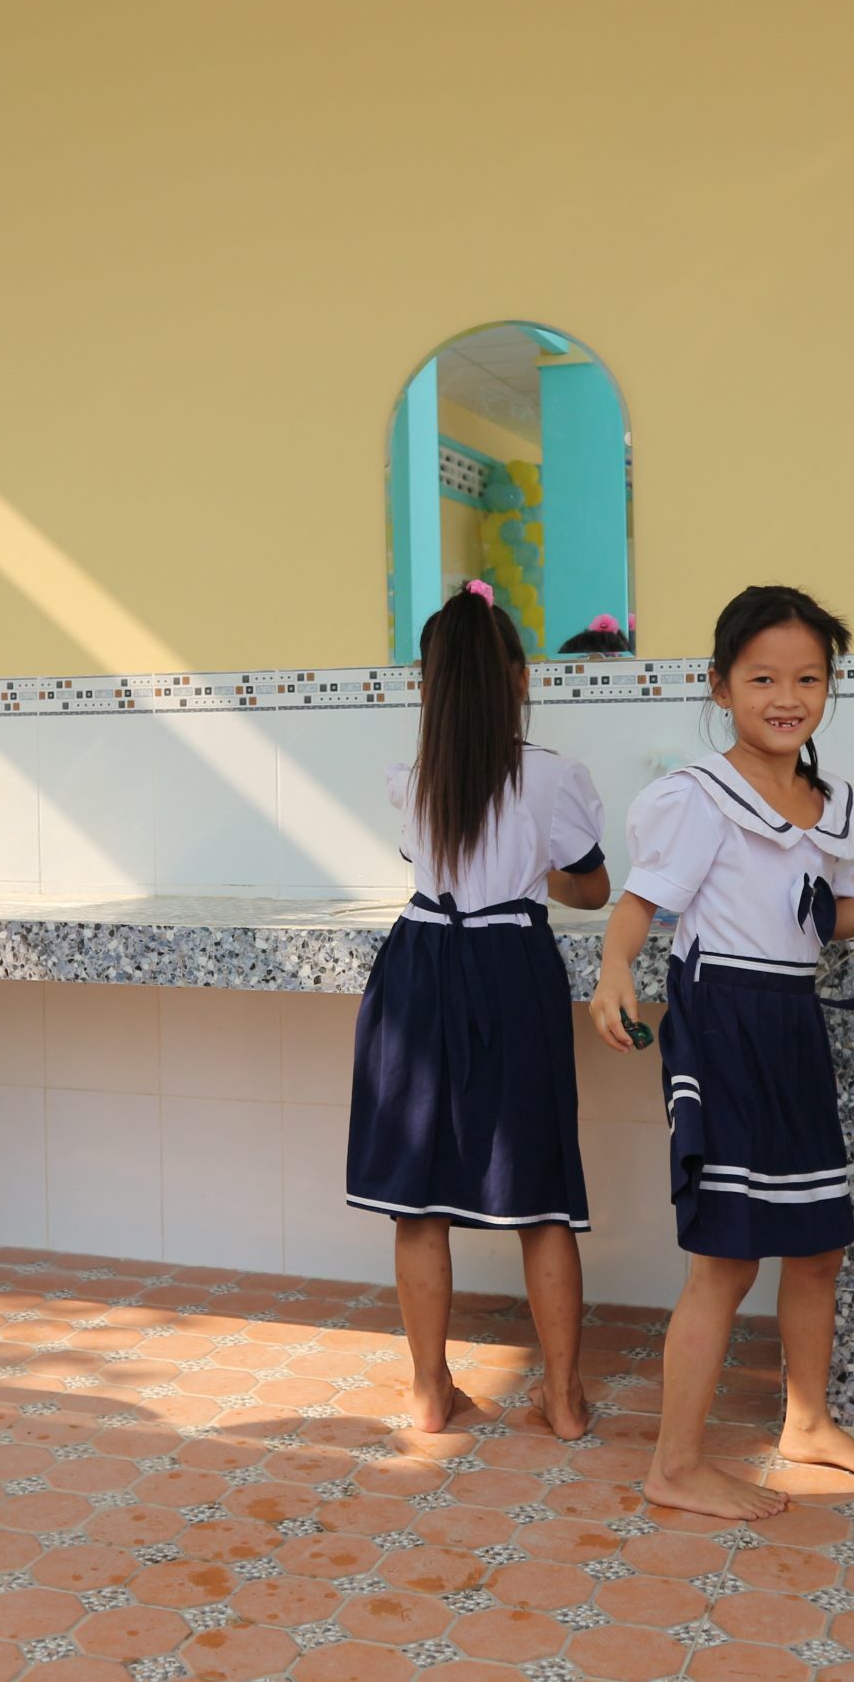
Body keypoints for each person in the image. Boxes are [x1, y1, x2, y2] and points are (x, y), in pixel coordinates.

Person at [591, 585, 854, 1520]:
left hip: (792, 1021)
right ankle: (674, 1463)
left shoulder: (827, 802)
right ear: (720, 687)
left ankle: (807, 1423)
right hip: (723, 1026)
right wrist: (614, 971)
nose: (787, 696)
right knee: (726, 1259)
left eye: (807, 677)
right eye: (762, 678)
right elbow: (640, 905)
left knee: (820, 1241)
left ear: (829, 687)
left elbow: (817, 916)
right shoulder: (696, 797)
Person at [347, 582, 610, 1438]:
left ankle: (429, 1392)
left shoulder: (412, 782)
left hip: (419, 965)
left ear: (428, 686)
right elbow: (591, 886)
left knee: (419, 1200)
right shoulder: (554, 775)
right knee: (540, 1192)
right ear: (517, 678)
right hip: (509, 968)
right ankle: (565, 1401)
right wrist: (542, 871)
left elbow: (438, 866)